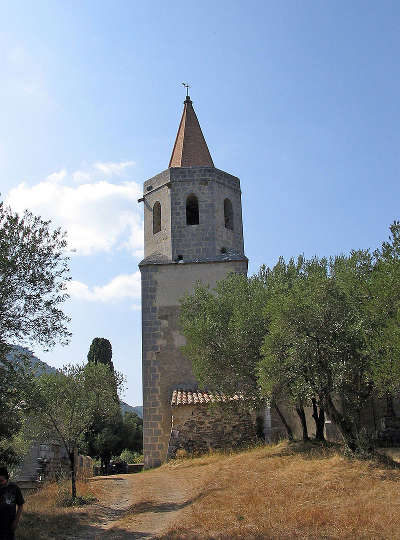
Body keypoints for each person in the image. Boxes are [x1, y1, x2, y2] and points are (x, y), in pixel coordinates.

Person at [0, 467, 24, 540]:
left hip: (9, 524)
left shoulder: (14, 488)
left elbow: (20, 505)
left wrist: (16, 522)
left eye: (1, 481)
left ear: (7, 479)